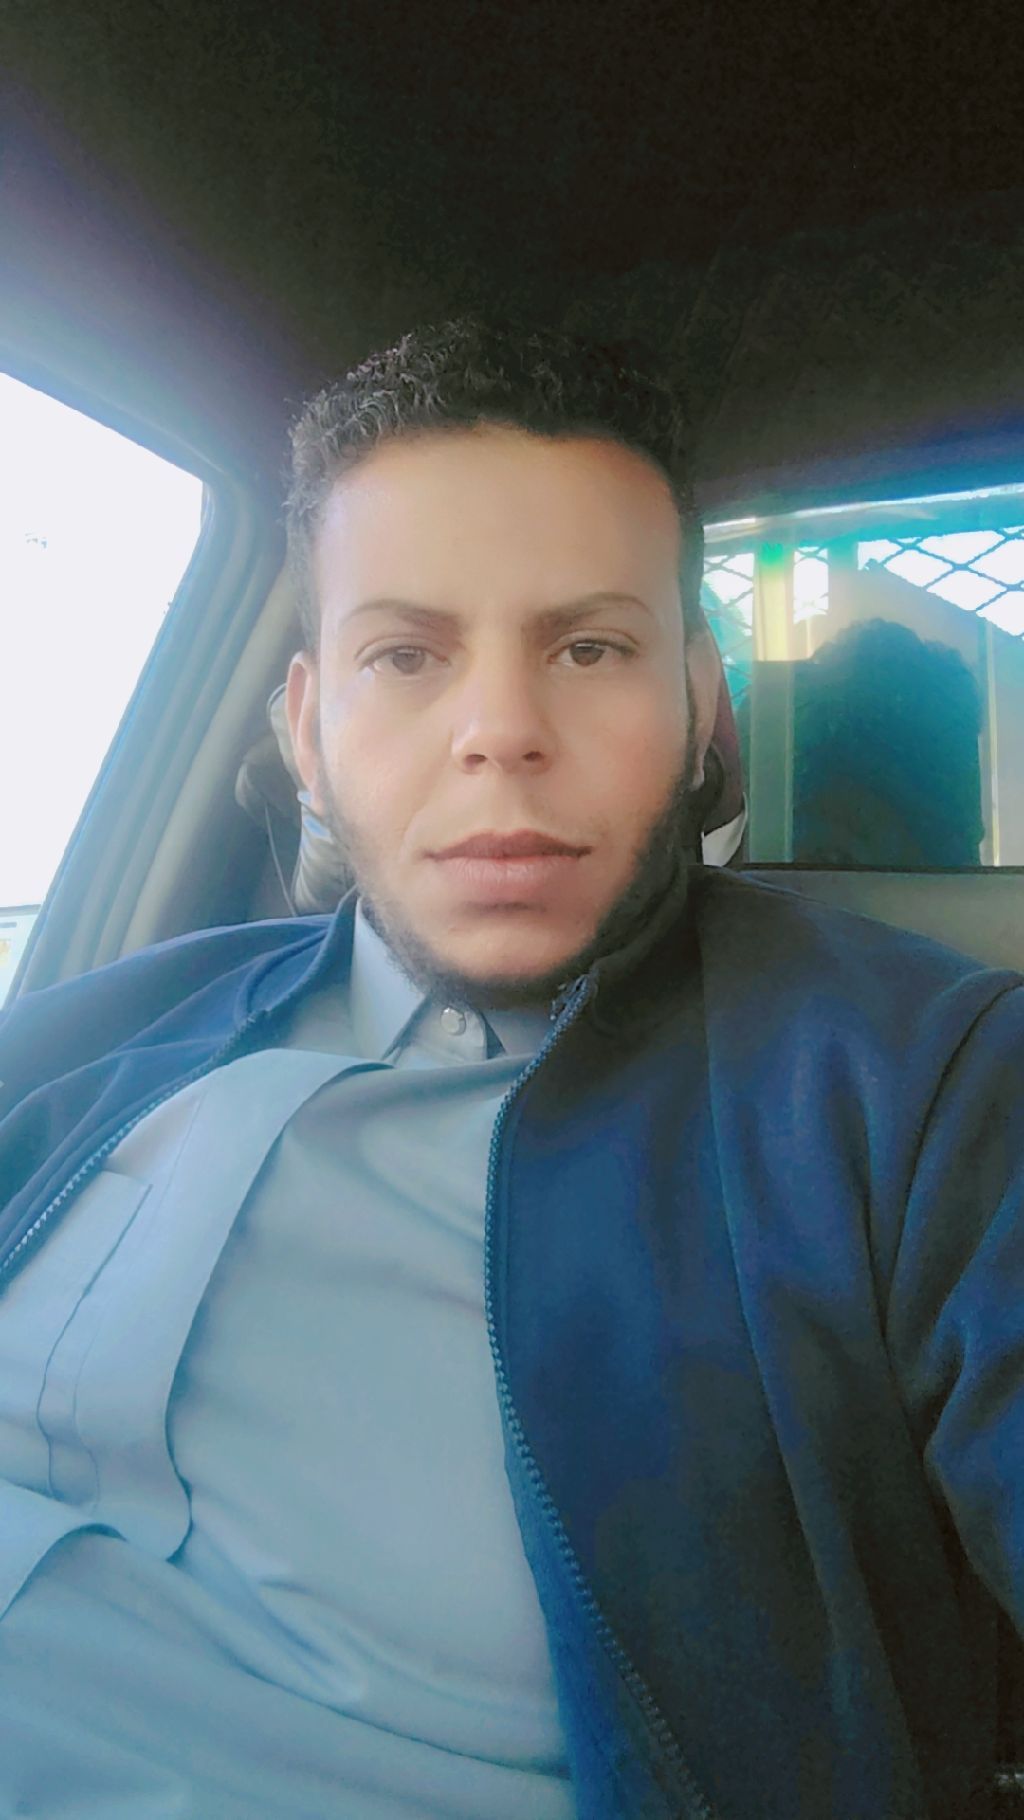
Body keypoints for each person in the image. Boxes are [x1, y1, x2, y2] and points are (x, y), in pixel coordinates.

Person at [0, 319, 1022, 1820]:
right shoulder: (100, 1028)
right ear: (307, 729)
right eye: (406, 655)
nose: (500, 733)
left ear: (700, 706)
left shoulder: (921, 1091)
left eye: (590, 648)